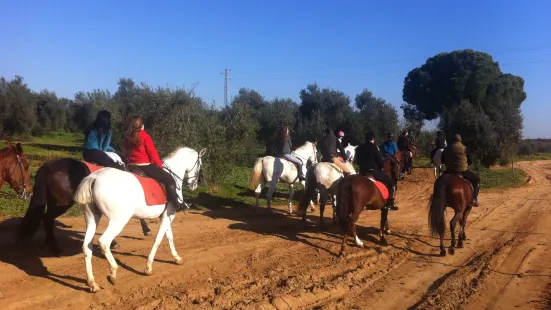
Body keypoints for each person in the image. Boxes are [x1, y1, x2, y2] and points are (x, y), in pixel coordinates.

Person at [124, 116, 183, 210]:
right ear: (141, 126)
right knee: (169, 179)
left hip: (130, 165)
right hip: (144, 165)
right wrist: (159, 165)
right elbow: (152, 153)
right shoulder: (144, 136)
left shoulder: (127, 136)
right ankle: (176, 205)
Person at [355, 132, 398, 210]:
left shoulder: (359, 148)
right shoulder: (374, 147)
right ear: (372, 139)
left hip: (362, 171)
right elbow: (380, 161)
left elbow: (357, 161)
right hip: (372, 171)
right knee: (392, 183)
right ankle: (390, 203)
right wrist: (381, 166)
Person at [441, 134, 480, 207]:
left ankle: (436, 196)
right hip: (462, 170)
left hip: (449, 171)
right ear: (460, 140)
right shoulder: (464, 148)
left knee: (439, 181)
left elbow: (442, 161)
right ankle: (474, 199)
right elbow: (470, 161)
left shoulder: (446, 148)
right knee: (477, 180)